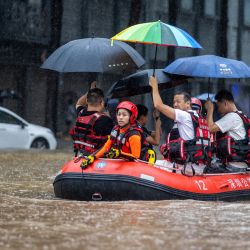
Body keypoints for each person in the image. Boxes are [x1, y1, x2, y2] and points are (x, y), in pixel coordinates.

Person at [149, 76, 211, 175]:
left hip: (187, 167)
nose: (175, 104)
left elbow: (158, 105)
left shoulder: (185, 116)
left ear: (188, 104)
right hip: (199, 166)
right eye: (174, 102)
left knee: (151, 165)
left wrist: (154, 86)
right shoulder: (200, 119)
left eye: (178, 102)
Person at [81, 101, 143, 169]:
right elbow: (106, 147)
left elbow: (136, 157)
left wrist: (120, 153)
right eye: (119, 114)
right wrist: (93, 156)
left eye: (124, 115)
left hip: (130, 166)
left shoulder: (134, 135)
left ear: (131, 117)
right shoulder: (116, 129)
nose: (120, 117)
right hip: (118, 163)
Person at [205, 89, 249, 170]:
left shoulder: (232, 117)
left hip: (233, 165)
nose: (218, 110)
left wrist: (210, 109)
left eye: (218, 106)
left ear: (225, 103)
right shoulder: (241, 115)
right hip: (241, 163)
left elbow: (210, 128)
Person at [70, 81, 114, 156]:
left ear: (87, 101)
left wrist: (90, 90)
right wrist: (108, 116)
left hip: (82, 153)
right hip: (98, 157)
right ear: (102, 103)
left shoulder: (81, 113)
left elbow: (79, 103)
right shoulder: (105, 120)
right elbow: (113, 139)